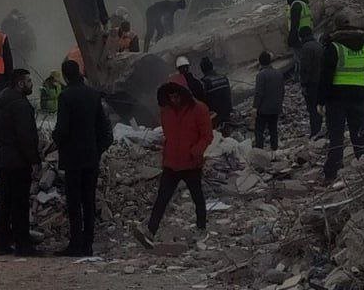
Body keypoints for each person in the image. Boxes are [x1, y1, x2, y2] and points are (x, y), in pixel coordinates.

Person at [132, 72, 212, 247]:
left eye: (176, 96)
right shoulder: (166, 111)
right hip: (171, 163)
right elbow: (168, 135)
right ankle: (150, 232)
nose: (174, 99)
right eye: (171, 96)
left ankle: (201, 228)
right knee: (162, 198)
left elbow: (207, 136)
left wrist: (196, 151)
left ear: (183, 94)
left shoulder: (199, 109)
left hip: (191, 163)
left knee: (197, 197)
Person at [52, 59, 113, 256]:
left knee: (74, 202)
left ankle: (75, 243)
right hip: (90, 158)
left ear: (65, 75)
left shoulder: (65, 97)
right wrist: (98, 150)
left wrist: (56, 141)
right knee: (89, 201)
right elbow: (105, 129)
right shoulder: (93, 95)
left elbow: (62, 129)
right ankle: (87, 244)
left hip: (72, 159)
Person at [0, 69, 41, 256]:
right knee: (20, 203)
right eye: (29, 81)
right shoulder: (20, 106)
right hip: (19, 162)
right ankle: (23, 245)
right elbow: (25, 136)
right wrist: (33, 160)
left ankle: (2, 244)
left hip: (3, 161)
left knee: (5, 203)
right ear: (20, 84)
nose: (31, 84)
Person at [319, 15, 364, 186]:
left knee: (336, 136)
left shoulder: (334, 48)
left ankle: (331, 174)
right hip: (359, 97)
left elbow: (325, 77)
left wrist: (321, 101)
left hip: (337, 99)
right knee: (359, 135)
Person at [253, 51, 284, 151]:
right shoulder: (279, 73)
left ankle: (259, 151)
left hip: (264, 109)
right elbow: (282, 91)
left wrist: (255, 107)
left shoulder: (261, 75)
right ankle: (274, 150)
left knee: (259, 131)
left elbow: (259, 93)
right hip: (276, 108)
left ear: (260, 62)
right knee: (273, 130)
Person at [298, 33, 325, 139]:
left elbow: (305, 67)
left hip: (312, 84)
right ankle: (322, 130)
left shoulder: (306, 48)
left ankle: (315, 132)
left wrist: (303, 84)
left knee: (312, 109)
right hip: (322, 82)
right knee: (320, 106)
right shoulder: (319, 45)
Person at [285, 0, 314, 75]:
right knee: (304, 58)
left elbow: (295, 24)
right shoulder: (304, 4)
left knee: (301, 59)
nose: (288, 1)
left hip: (299, 37)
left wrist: (291, 39)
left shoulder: (296, 6)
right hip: (307, 34)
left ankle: (303, 78)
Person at [200, 57, 232, 131]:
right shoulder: (224, 77)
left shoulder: (204, 82)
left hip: (216, 117)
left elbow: (203, 101)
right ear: (212, 66)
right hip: (228, 113)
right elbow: (228, 96)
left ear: (202, 69)